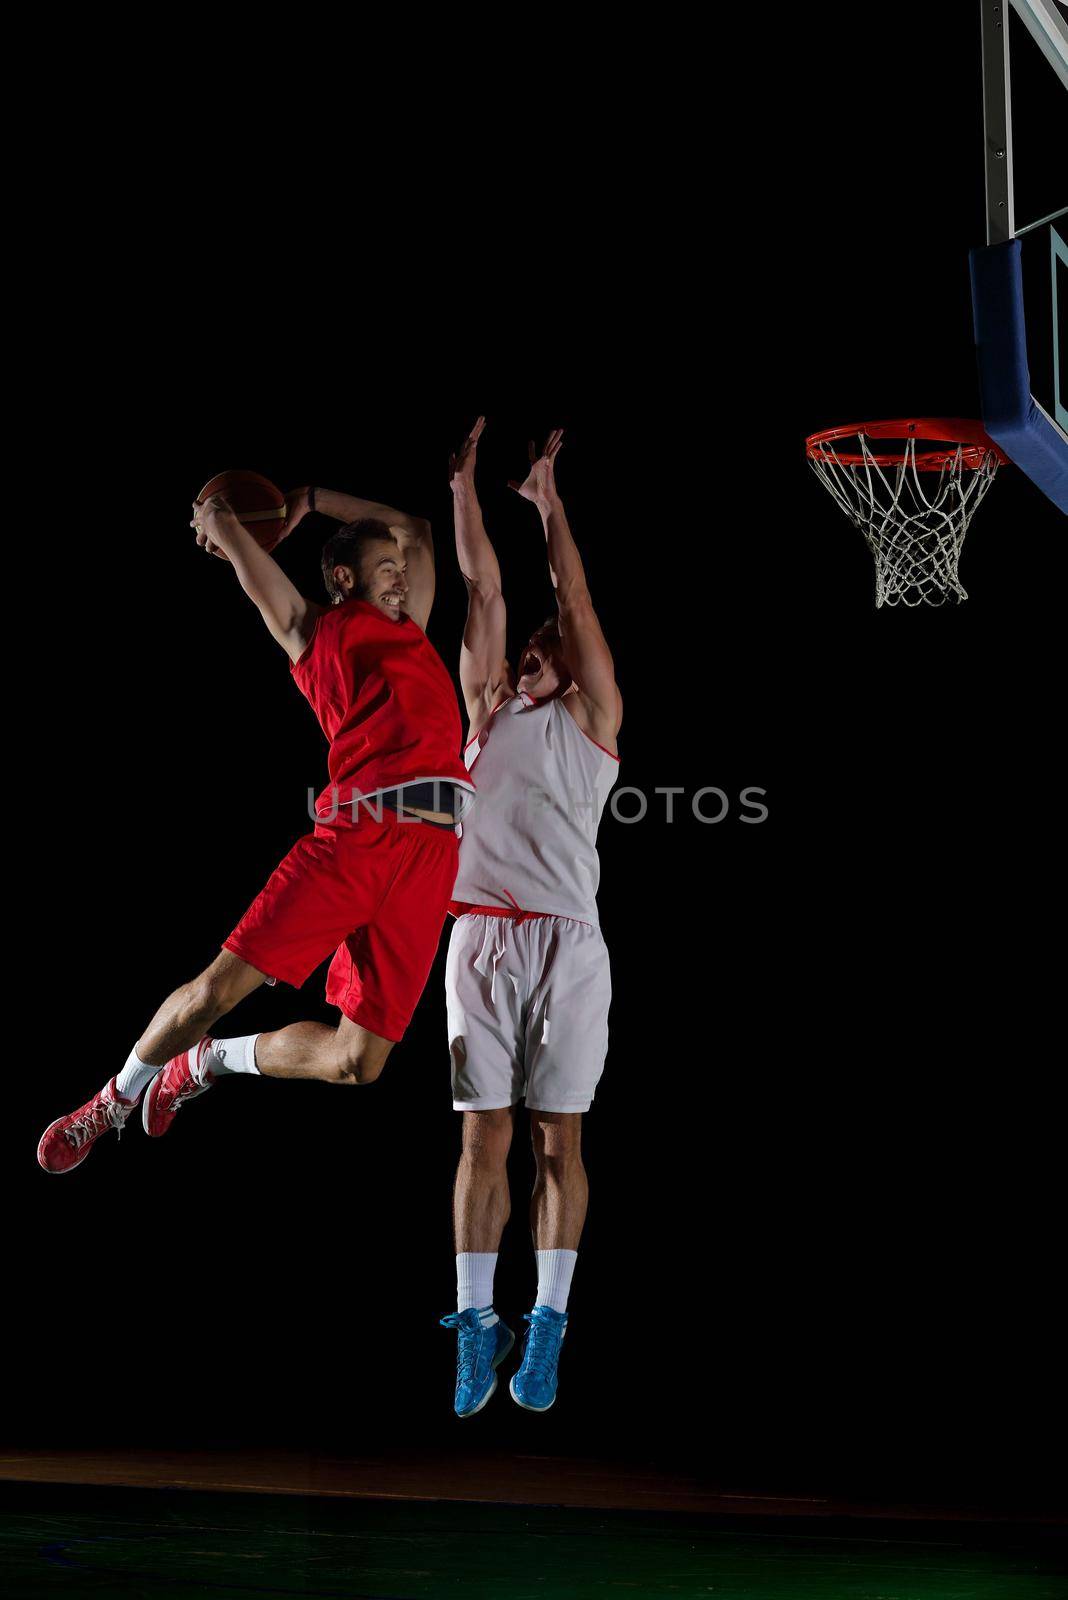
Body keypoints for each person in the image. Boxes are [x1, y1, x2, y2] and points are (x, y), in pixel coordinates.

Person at [38, 482, 474, 1174]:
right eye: (385, 568)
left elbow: (416, 527)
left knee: (359, 1064)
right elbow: (236, 543)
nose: (401, 577)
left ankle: (210, 1062)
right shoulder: (316, 630)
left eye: (401, 570)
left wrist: (306, 497)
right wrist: (223, 521)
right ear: (344, 578)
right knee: (216, 992)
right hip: (356, 840)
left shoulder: (411, 631)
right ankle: (114, 1098)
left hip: (431, 861)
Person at [439, 420, 622, 1416]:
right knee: (481, 1138)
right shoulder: (484, 711)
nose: (530, 655)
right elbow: (482, 592)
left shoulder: (591, 717)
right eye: (528, 653)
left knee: (561, 1141)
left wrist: (551, 507)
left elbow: (571, 598)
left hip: (570, 945)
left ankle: (546, 1322)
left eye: (547, 648)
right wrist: (464, 489)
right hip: (480, 938)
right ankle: (477, 1323)